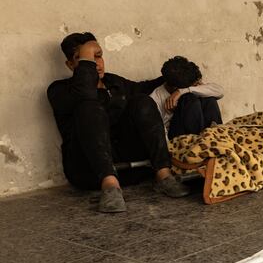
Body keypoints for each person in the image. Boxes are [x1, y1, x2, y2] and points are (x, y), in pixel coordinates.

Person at [47, 32, 190, 213]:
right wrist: (87, 60)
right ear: (71, 64)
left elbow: (145, 87)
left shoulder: (114, 82)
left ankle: (164, 175)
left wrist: (179, 77)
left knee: (142, 101)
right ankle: (110, 186)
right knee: (89, 108)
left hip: (131, 168)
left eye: (98, 56)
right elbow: (85, 94)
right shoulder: (59, 90)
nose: (95, 62)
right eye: (85, 58)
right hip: (88, 171)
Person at [150, 56, 223, 139]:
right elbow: (159, 134)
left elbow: (220, 91)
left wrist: (183, 91)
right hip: (179, 138)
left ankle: (218, 138)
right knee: (189, 98)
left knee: (209, 97)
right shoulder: (154, 99)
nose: (199, 84)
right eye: (195, 84)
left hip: (205, 134)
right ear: (175, 87)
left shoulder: (186, 84)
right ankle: (202, 142)